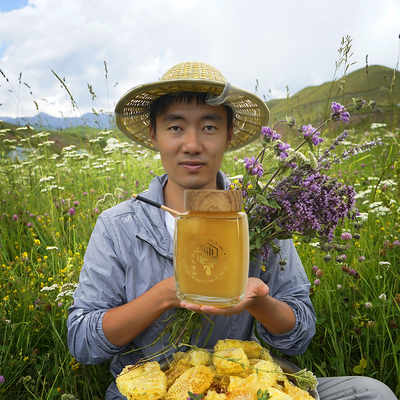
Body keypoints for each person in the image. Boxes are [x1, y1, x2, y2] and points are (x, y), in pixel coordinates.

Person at [67, 62, 397, 400]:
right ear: (154, 134)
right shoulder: (118, 226)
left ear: (228, 134)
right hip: (154, 391)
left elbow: (298, 336)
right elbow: (83, 343)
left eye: (209, 127)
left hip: (246, 385)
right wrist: (166, 295)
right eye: (175, 127)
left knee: (374, 393)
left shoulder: (260, 218)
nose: (192, 145)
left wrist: (260, 302)